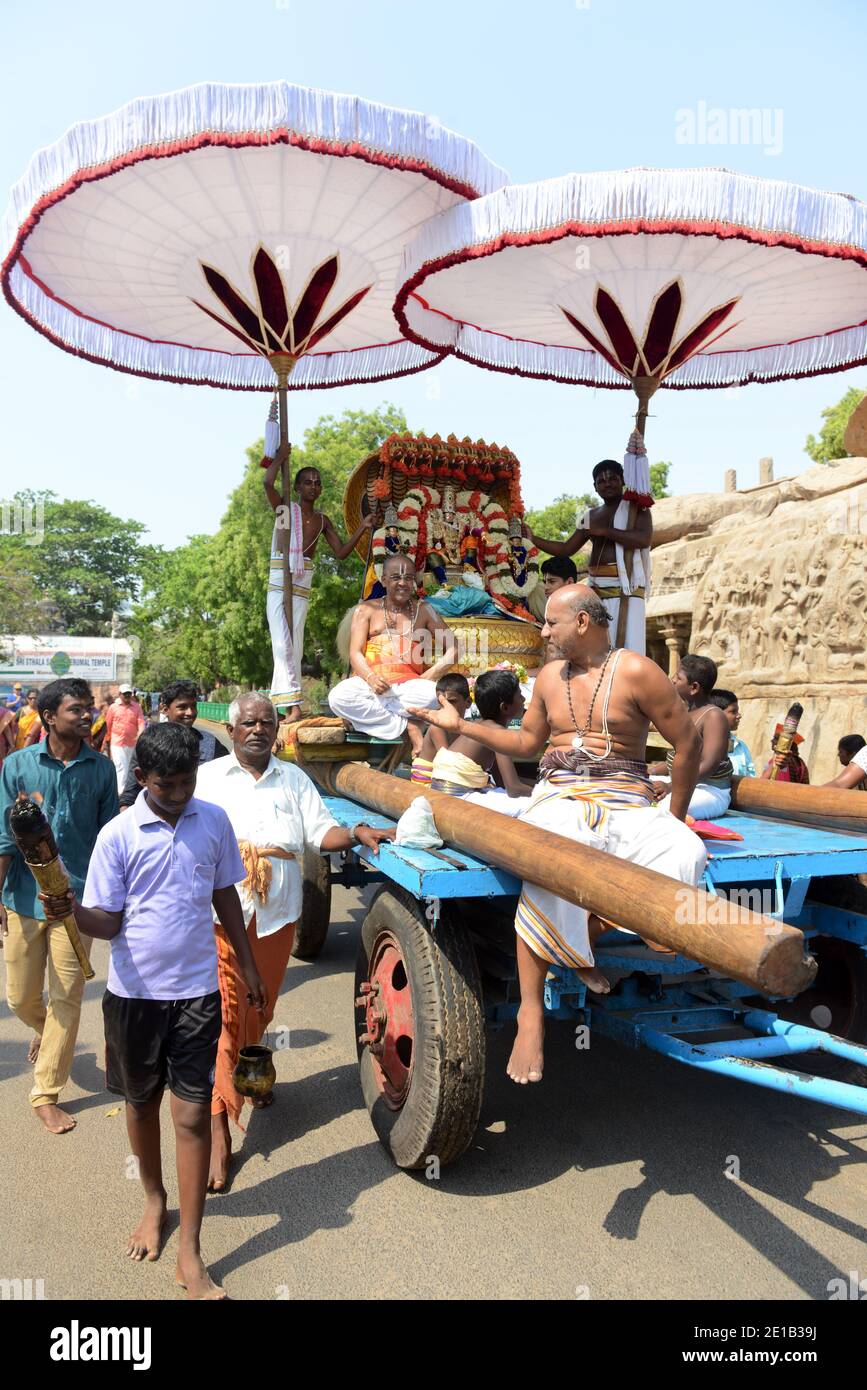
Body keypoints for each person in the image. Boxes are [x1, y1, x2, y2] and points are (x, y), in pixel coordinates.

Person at [412, 585, 705, 1084]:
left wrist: (675, 816)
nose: (543, 632)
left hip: (627, 797)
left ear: (584, 623)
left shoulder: (636, 670)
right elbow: (527, 741)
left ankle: (580, 944)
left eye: (551, 623)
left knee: (686, 852)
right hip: (559, 795)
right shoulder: (549, 677)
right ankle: (531, 1014)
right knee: (549, 861)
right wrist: (465, 725)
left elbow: (687, 741)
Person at [40, 723, 265, 1299]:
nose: (179, 794)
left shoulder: (212, 820)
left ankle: (190, 1250)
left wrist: (247, 962)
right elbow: (107, 921)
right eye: (166, 785)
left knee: (190, 1117)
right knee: (141, 1105)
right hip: (133, 1000)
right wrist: (70, 910)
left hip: (197, 995)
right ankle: (153, 1199)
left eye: (187, 782)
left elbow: (223, 897)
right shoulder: (118, 836)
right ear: (140, 778)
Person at [195, 694, 395, 1191]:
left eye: (267, 722)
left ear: (278, 730)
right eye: (248, 723)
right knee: (225, 1016)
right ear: (232, 730)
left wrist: (356, 833)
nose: (258, 730)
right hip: (223, 913)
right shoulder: (210, 780)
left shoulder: (294, 779)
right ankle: (219, 1125)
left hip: (277, 916)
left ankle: (252, 1072)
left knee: (258, 1009)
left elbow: (319, 832)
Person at [0, 678, 118, 1133]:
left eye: (89, 707)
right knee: (20, 998)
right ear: (49, 717)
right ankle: (45, 1032)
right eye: (77, 709)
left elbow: (109, 840)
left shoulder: (102, 769)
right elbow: (4, 837)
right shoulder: (17, 766)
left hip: (77, 901)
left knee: (67, 995)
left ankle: (45, 1092)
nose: (88, 714)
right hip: (22, 898)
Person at [264, 448, 374, 724]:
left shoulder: (323, 520)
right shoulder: (286, 511)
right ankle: (293, 705)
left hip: (302, 582)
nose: (313, 486)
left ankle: (287, 706)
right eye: (307, 482)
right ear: (298, 486)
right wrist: (280, 459)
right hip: (280, 578)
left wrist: (362, 526)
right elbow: (267, 483)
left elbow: (341, 553)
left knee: (296, 645)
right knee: (281, 644)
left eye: (317, 482)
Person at [328, 553, 457, 756]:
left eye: (408, 578)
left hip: (409, 687)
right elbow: (355, 653)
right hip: (372, 684)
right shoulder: (365, 610)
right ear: (384, 579)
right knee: (338, 697)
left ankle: (391, 718)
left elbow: (454, 648)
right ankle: (408, 724)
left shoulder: (424, 610)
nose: (403, 583)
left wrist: (429, 676)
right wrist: (371, 678)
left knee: (436, 696)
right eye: (396, 577)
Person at [524, 461, 652, 653]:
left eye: (612, 479)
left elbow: (643, 539)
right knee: (598, 646)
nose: (606, 484)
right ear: (595, 487)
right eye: (601, 481)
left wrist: (606, 531)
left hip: (626, 587)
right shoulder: (591, 516)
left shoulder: (637, 509)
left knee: (628, 646)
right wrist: (534, 539)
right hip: (596, 589)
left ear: (623, 480)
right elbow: (567, 548)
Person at [429, 669, 534, 811]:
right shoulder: (499, 733)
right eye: (520, 695)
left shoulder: (480, 725)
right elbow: (514, 789)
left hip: (442, 793)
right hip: (455, 797)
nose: (523, 700)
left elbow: (502, 782)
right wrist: (546, 793)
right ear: (505, 707)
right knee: (532, 808)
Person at [118, 679, 227, 809]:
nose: (190, 713)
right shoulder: (149, 742)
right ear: (164, 709)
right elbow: (130, 793)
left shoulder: (210, 744)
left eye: (193, 706)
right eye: (182, 707)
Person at [649, 656, 733, 819]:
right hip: (682, 784)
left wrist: (670, 786)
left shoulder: (714, 716)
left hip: (709, 791)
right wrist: (651, 771)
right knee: (631, 788)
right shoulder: (685, 713)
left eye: (678, 677)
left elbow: (709, 765)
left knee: (663, 810)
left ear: (694, 687)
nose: (672, 680)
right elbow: (683, 758)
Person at [411, 673, 472, 785]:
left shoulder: (468, 727)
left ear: (468, 702)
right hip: (427, 786)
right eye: (441, 702)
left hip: (447, 780)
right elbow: (446, 765)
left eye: (452, 701)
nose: (446, 707)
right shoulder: (437, 728)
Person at [104, 684, 146, 793]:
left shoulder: (137, 707)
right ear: (120, 694)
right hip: (117, 741)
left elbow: (141, 722)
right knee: (121, 766)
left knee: (129, 766)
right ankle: (121, 792)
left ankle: (128, 789)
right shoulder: (113, 707)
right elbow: (108, 724)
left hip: (132, 741)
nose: (127, 696)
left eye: (129, 693)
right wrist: (106, 739)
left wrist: (141, 734)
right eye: (125, 694)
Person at [709, 688, 756, 779]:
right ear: (716, 713)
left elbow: (751, 779)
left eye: (737, 711)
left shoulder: (741, 747)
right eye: (733, 712)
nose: (739, 715)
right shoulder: (699, 745)